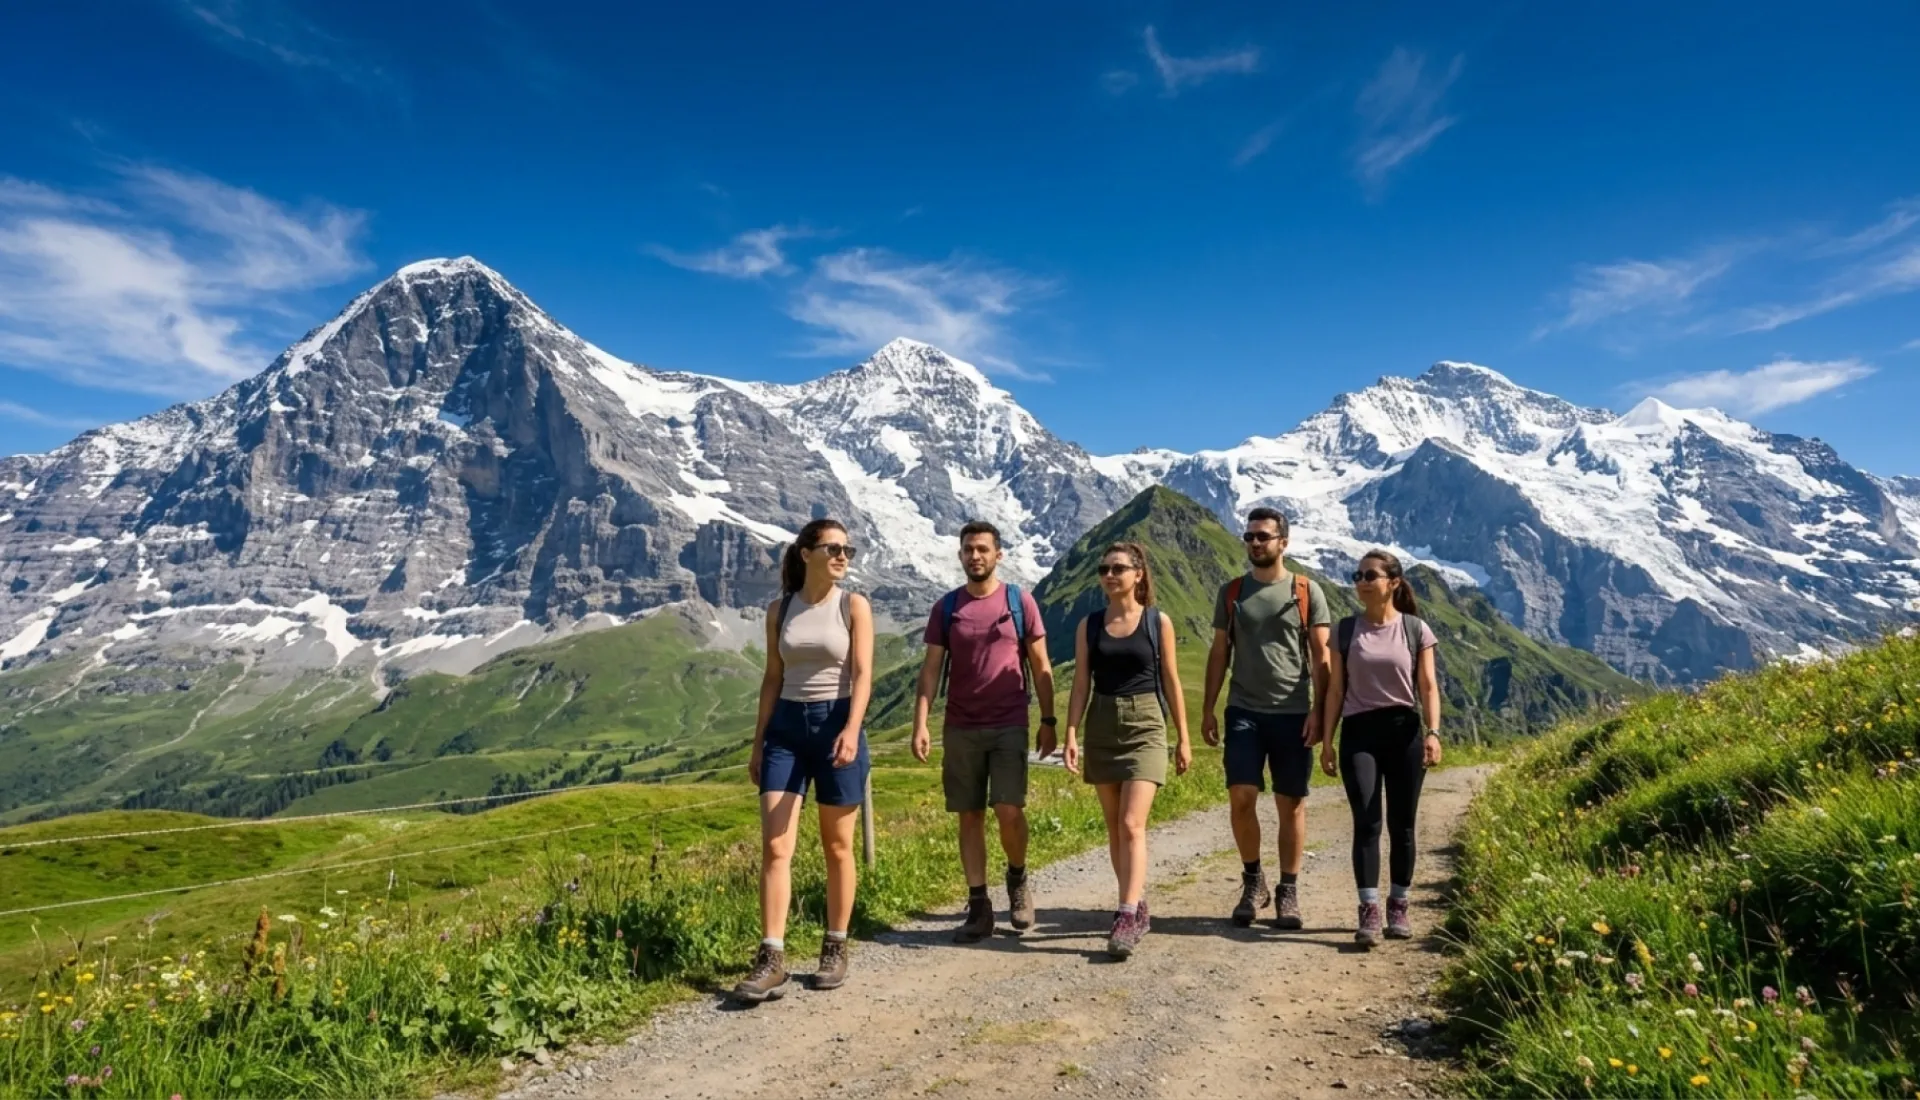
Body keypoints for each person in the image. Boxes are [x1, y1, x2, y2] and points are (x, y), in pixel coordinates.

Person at [731, 518, 875, 1003]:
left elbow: (862, 673)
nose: (842, 557)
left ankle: (835, 944)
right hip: (786, 731)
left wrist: (852, 730)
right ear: (806, 553)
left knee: (838, 847)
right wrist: (758, 742)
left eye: (847, 550)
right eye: (833, 548)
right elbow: (772, 677)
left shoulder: (854, 606)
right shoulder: (780, 610)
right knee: (776, 847)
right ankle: (772, 956)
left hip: (837, 724)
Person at [913, 521, 1056, 943]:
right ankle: (978, 905)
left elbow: (1041, 665)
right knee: (969, 814)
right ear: (960, 556)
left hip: (1010, 722)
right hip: (960, 726)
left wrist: (1048, 721)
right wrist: (921, 721)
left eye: (982, 549)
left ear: (998, 555)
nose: (975, 556)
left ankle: (1017, 878)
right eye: (968, 550)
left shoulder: (1019, 602)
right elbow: (931, 670)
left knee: (1009, 809)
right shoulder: (947, 607)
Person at [1201, 507, 1331, 930]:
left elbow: (1321, 657)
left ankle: (1288, 888)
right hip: (1244, 710)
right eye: (1250, 536)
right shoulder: (1232, 591)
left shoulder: (1307, 590)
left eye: (1264, 537)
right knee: (1241, 794)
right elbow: (1220, 652)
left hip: (1293, 712)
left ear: (1283, 543)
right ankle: (1253, 879)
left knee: (1290, 803)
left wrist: (1319, 711)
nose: (1255, 543)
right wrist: (1208, 707)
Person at [1062, 542, 1193, 959]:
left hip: (1146, 723)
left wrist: (1184, 737)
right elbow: (1081, 682)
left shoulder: (1158, 622)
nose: (1109, 574)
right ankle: (1136, 903)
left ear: (1138, 574)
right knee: (1114, 826)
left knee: (1132, 823)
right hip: (1101, 721)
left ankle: (1124, 914)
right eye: (1104, 568)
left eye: (1118, 568)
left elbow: (1171, 680)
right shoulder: (1090, 624)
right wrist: (1070, 733)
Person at [1319, 550, 1442, 948]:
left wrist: (1434, 733)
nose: (1361, 581)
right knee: (1367, 821)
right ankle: (1369, 909)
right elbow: (1336, 689)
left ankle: (1399, 904)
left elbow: (1427, 687)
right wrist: (1326, 740)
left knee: (1402, 825)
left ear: (1393, 583)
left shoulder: (1416, 629)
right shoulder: (1344, 630)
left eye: (1369, 575)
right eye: (1357, 575)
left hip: (1404, 730)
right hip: (1359, 732)